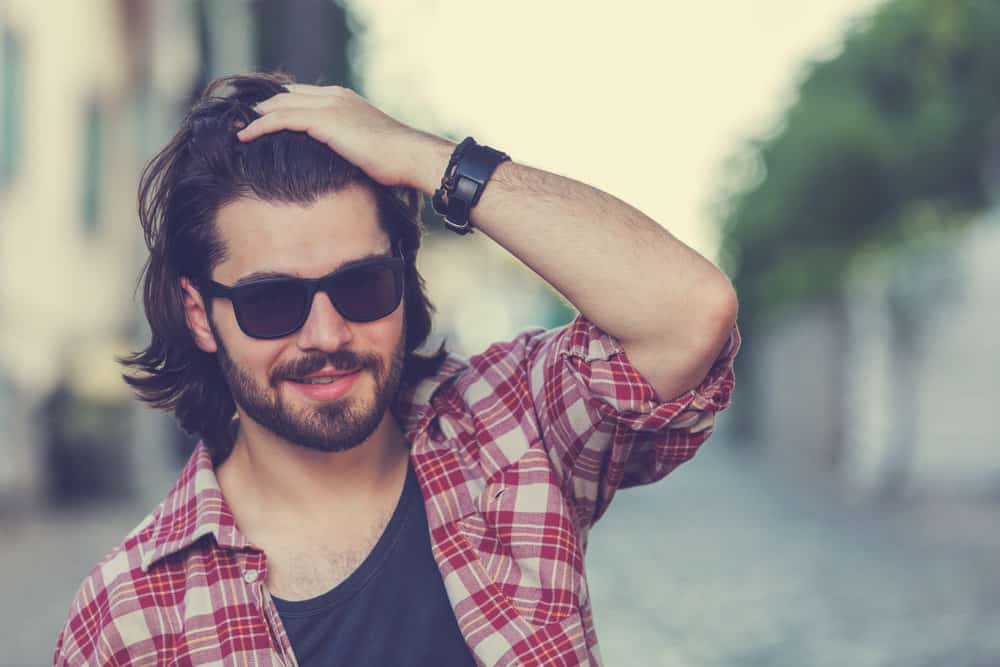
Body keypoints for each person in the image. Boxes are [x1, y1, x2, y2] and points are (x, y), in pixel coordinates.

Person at [53, 72, 740, 666]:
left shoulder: (507, 428)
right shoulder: (131, 619)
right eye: (271, 301)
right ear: (199, 314)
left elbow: (689, 314)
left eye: (362, 286)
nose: (326, 334)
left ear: (403, 278)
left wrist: (429, 159)